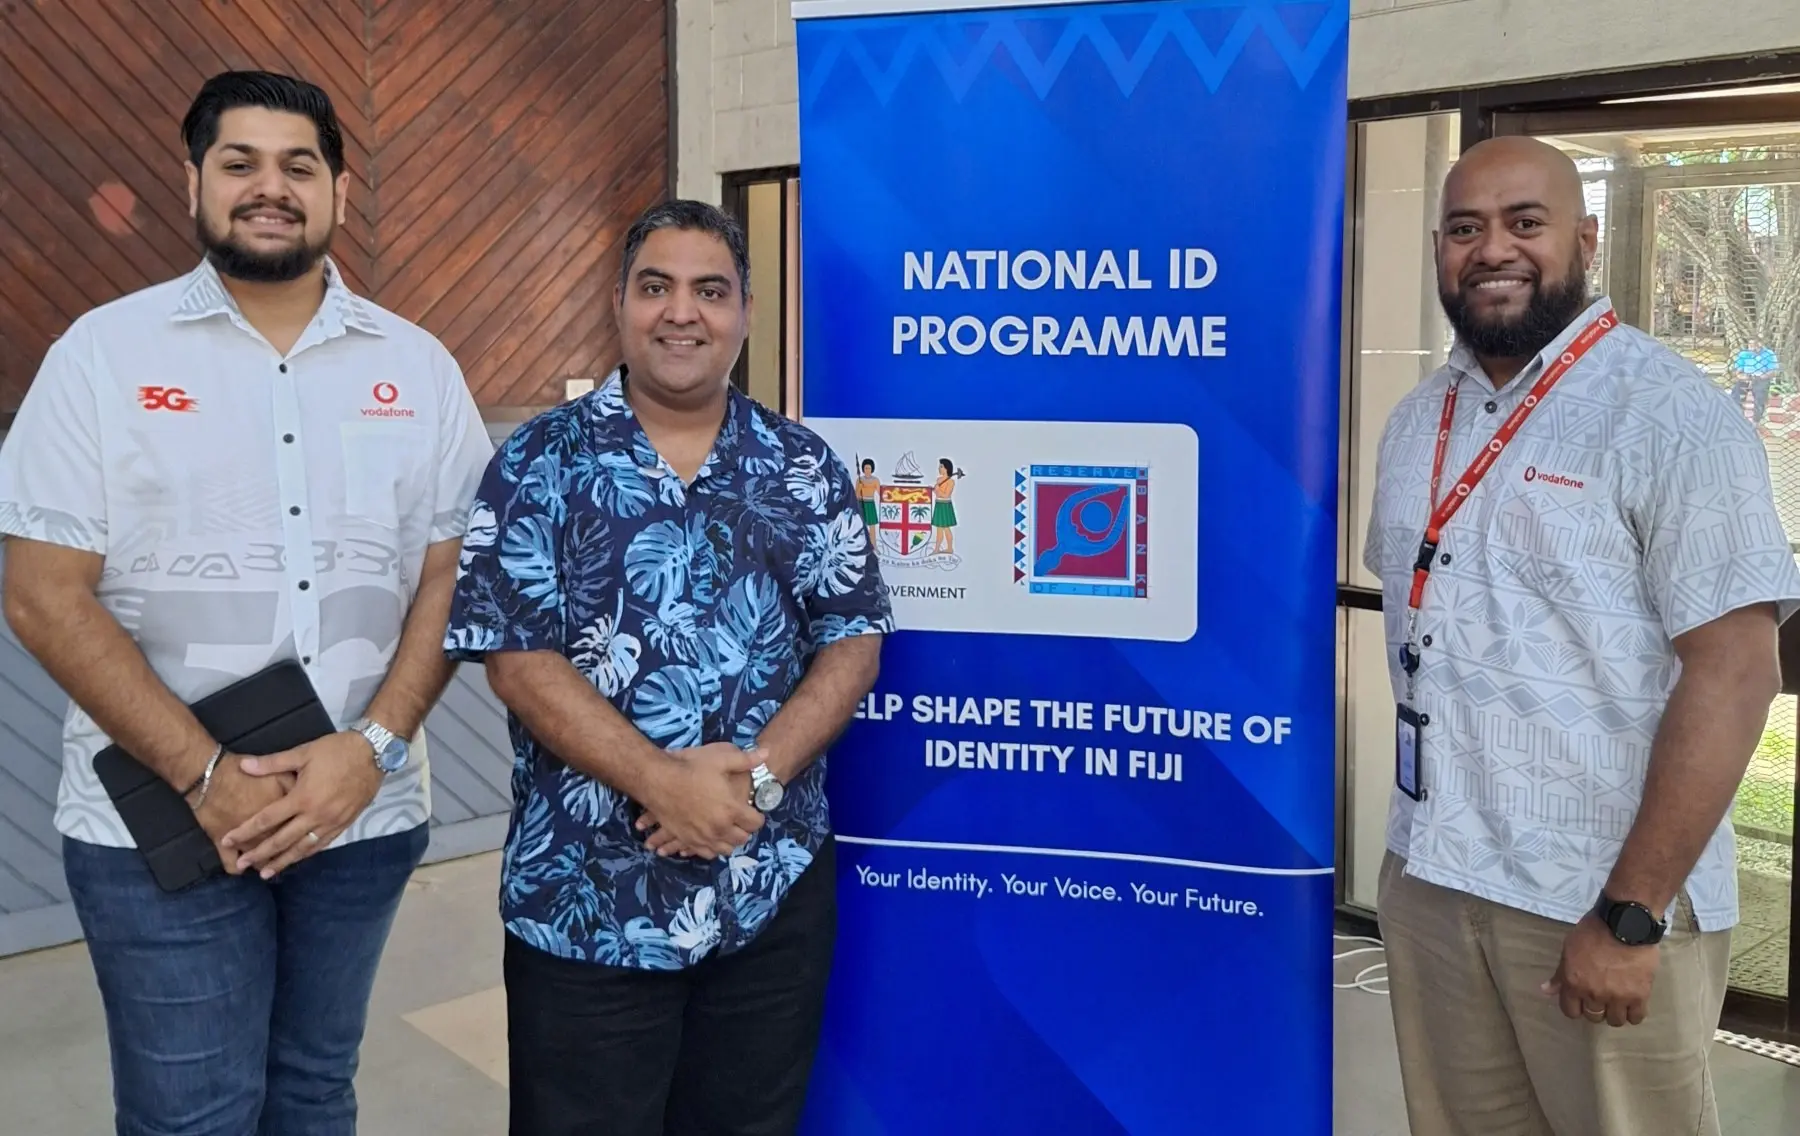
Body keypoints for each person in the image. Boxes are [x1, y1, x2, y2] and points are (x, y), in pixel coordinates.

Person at [0, 71, 493, 1134]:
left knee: (314, 1089)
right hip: (161, 826)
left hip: (358, 811)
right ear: (194, 182)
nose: (270, 187)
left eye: (298, 165)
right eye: (240, 162)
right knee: (193, 1113)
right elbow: (42, 594)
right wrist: (205, 771)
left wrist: (374, 747)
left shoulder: (418, 365)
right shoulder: (102, 357)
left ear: (339, 193)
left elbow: (453, 575)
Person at [1363, 135, 1800, 1136]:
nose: (1493, 250)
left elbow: (1736, 671)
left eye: (1527, 222)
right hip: (1435, 876)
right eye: (1466, 228)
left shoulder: (1669, 415)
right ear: (1439, 249)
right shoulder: (1418, 417)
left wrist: (1632, 911)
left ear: (1586, 239)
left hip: (1592, 896)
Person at [443, 198, 892, 1136]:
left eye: (709, 291)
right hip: (586, 901)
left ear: (745, 313)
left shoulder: (803, 467)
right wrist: (664, 785)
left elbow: (852, 639)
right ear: (619, 303)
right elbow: (519, 661)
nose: (681, 312)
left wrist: (755, 781)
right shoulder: (535, 463)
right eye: (657, 287)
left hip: (769, 894)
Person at [1730, 336, 1780, 424]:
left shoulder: (1769, 354)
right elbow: (1737, 371)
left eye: (1753, 345)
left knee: (1760, 395)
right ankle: (1738, 418)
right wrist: (1743, 377)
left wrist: (1760, 377)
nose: (1751, 347)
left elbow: (1773, 371)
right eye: (1749, 345)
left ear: (1760, 345)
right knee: (1735, 394)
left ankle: (1756, 421)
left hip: (1762, 378)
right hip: (1746, 377)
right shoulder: (1744, 354)